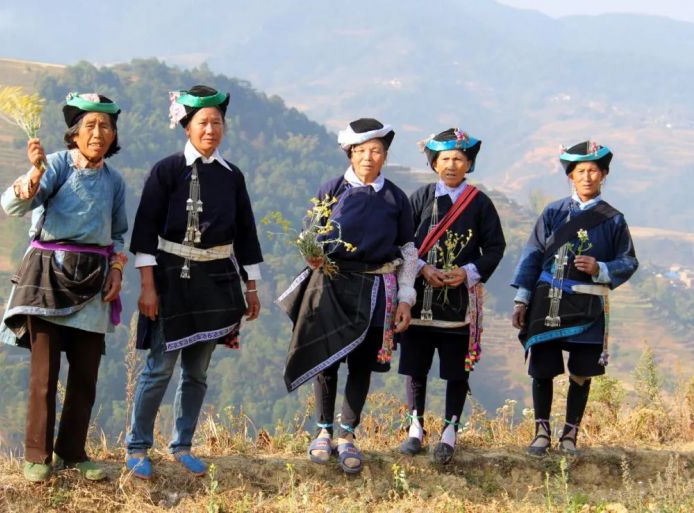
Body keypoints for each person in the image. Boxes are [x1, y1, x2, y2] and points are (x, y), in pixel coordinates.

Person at [125, 85, 263, 479]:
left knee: (197, 372)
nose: (210, 130)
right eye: (202, 123)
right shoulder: (167, 171)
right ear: (187, 126)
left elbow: (246, 233)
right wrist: (148, 287)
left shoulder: (232, 176)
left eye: (216, 123)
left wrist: (251, 287)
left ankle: (182, 444)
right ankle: (137, 446)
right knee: (159, 368)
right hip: (172, 280)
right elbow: (145, 231)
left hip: (217, 281)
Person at [0, 93, 127, 482]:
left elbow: (119, 233)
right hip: (47, 275)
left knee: (85, 372)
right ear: (74, 134)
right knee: (45, 372)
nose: (98, 133)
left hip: (94, 278)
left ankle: (71, 451)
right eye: (91, 126)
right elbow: (13, 205)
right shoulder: (54, 165)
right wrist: (34, 174)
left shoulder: (114, 181)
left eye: (106, 126)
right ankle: (37, 455)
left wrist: (117, 269)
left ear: (113, 135)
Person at [279, 118, 418, 474]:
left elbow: (408, 250)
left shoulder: (395, 198)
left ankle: (347, 435)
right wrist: (310, 253)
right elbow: (310, 232)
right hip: (333, 284)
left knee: (361, 363)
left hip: (375, 287)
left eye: (376, 151)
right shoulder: (333, 189)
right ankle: (323, 431)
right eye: (362, 150)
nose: (369, 157)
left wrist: (406, 297)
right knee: (327, 359)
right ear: (350, 153)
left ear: (385, 156)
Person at [511, 140, 638, 456]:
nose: (586, 177)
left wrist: (600, 268)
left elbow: (628, 261)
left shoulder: (613, 219)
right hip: (548, 301)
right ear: (570, 175)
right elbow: (532, 254)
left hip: (588, 304)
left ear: (604, 174)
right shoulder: (553, 212)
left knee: (581, 370)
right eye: (580, 171)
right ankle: (541, 433)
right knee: (542, 367)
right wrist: (522, 299)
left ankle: (570, 435)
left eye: (593, 170)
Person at [397, 128, 505, 464]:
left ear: (468, 163)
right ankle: (415, 427)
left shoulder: (480, 203)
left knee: (457, 369)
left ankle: (449, 431)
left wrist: (467, 272)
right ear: (434, 163)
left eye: (458, 158)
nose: (451, 165)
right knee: (416, 367)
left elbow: (495, 247)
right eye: (445, 158)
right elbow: (403, 242)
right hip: (419, 298)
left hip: (459, 303)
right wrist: (422, 268)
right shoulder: (420, 198)